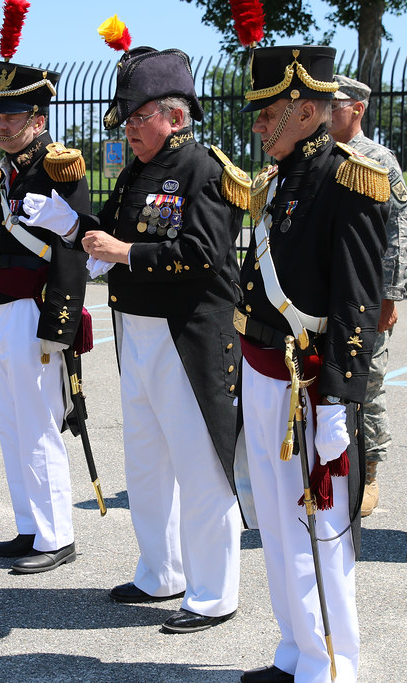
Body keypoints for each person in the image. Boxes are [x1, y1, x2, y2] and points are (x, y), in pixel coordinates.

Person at [22, 45, 246, 633]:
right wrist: (72, 227)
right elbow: (109, 238)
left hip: (187, 335)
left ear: (173, 114)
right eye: (126, 120)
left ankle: (213, 591)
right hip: (138, 329)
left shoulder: (204, 168)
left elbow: (204, 254)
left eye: (136, 118)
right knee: (146, 462)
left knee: (199, 466)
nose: (128, 130)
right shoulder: (136, 172)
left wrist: (126, 253)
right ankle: (161, 570)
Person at [234, 46, 390, 682]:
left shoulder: (347, 181)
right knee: (276, 525)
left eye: (264, 111)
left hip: (308, 384)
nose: (254, 125)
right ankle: (295, 650)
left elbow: (356, 304)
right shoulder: (276, 180)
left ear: (302, 110)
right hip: (264, 368)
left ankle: (332, 666)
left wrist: (334, 401)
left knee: (319, 531)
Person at [0, 57, 90, 574]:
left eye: (13, 116)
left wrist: (59, 326)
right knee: (13, 424)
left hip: (35, 311)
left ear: (39, 120)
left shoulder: (57, 167)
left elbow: (75, 250)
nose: (1, 125)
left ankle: (56, 536)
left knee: (40, 424)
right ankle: (30, 525)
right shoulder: (10, 169)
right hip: (2, 308)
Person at [329, 74, 407, 517]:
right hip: (324, 292)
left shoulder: (378, 160)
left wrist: (391, 294)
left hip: (365, 294)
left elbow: (398, 230)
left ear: (357, 110)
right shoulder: (317, 154)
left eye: (336, 105)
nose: (327, 111)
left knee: (367, 381)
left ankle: (369, 475)